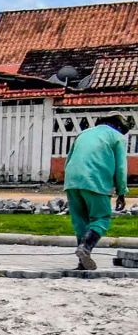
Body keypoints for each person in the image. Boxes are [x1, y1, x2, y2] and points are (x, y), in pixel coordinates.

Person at [63, 114, 131, 270]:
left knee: (80, 221)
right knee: (101, 218)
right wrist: (121, 192)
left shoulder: (84, 134)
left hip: (72, 181)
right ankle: (85, 248)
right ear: (120, 127)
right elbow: (121, 168)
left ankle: (82, 261)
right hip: (96, 180)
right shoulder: (117, 137)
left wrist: (69, 181)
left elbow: (69, 159)